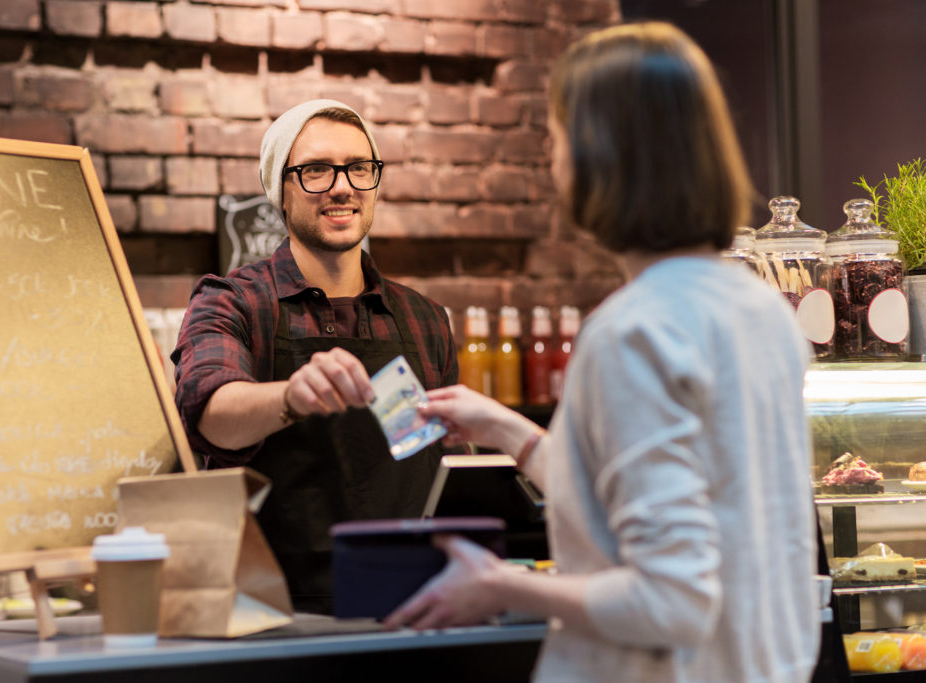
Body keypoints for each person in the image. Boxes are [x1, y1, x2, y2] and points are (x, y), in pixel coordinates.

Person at [384, 22, 820, 682]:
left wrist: (501, 585)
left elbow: (672, 600)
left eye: (557, 141)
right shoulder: (761, 311)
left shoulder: (632, 331)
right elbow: (669, 507)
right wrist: (509, 429)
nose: (552, 162)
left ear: (600, 157)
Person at [172, 99, 458, 614]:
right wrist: (291, 396)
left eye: (358, 169)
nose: (342, 187)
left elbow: (434, 461)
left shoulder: (425, 318)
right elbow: (207, 412)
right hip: (270, 613)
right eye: (316, 171)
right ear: (279, 191)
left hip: (412, 604)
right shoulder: (232, 300)